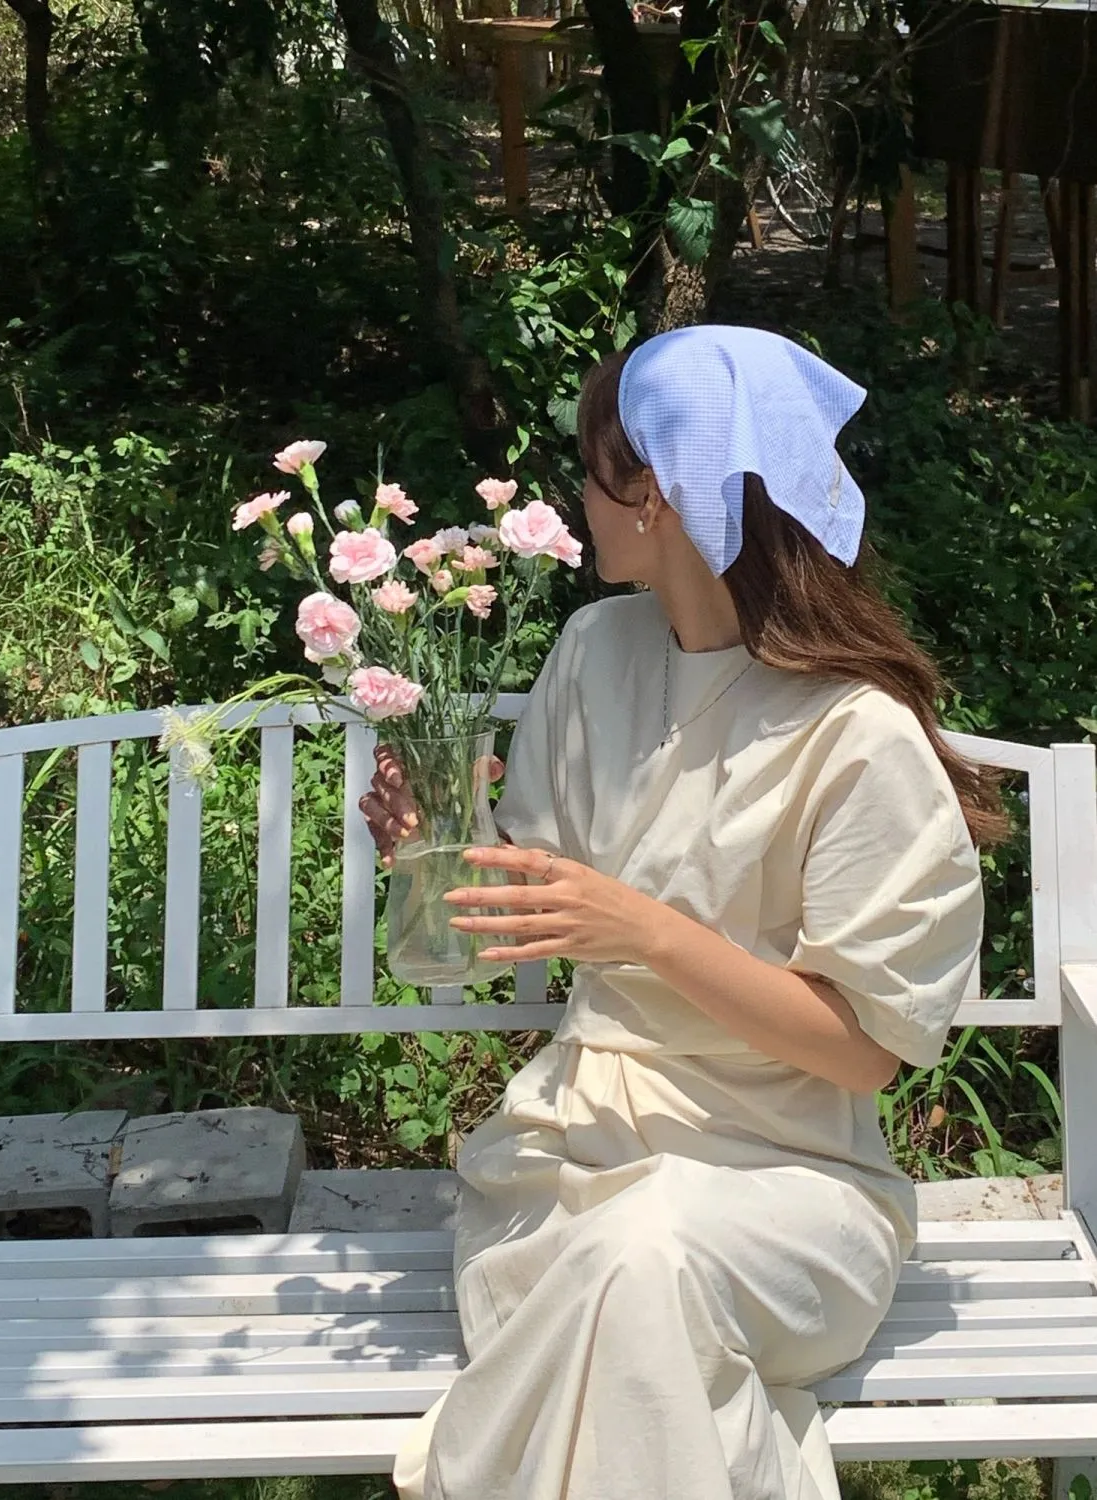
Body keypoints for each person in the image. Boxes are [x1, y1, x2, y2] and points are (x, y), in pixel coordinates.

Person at [360, 324, 1001, 1500]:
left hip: (789, 1188)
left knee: (641, 1261)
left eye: (592, 473)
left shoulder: (855, 732)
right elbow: (526, 916)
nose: (578, 498)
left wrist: (644, 932)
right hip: (565, 1163)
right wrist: (425, 855)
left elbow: (864, 1054)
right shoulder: (595, 650)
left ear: (654, 492)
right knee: (622, 1263)